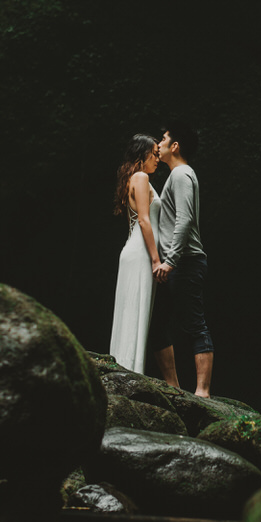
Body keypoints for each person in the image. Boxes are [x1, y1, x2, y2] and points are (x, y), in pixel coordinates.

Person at [152, 123, 215, 397]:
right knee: (157, 323)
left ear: (175, 146)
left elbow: (185, 220)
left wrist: (170, 260)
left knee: (194, 324)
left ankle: (203, 393)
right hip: (177, 262)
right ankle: (173, 388)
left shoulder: (181, 174)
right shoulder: (177, 175)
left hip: (185, 261)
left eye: (163, 139)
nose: (159, 143)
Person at [108, 134, 163, 373]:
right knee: (136, 310)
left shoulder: (136, 178)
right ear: (142, 156)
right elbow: (144, 220)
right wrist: (156, 258)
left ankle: (126, 368)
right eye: (154, 155)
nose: (157, 159)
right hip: (141, 252)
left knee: (134, 310)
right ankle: (130, 371)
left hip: (137, 251)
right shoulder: (140, 177)